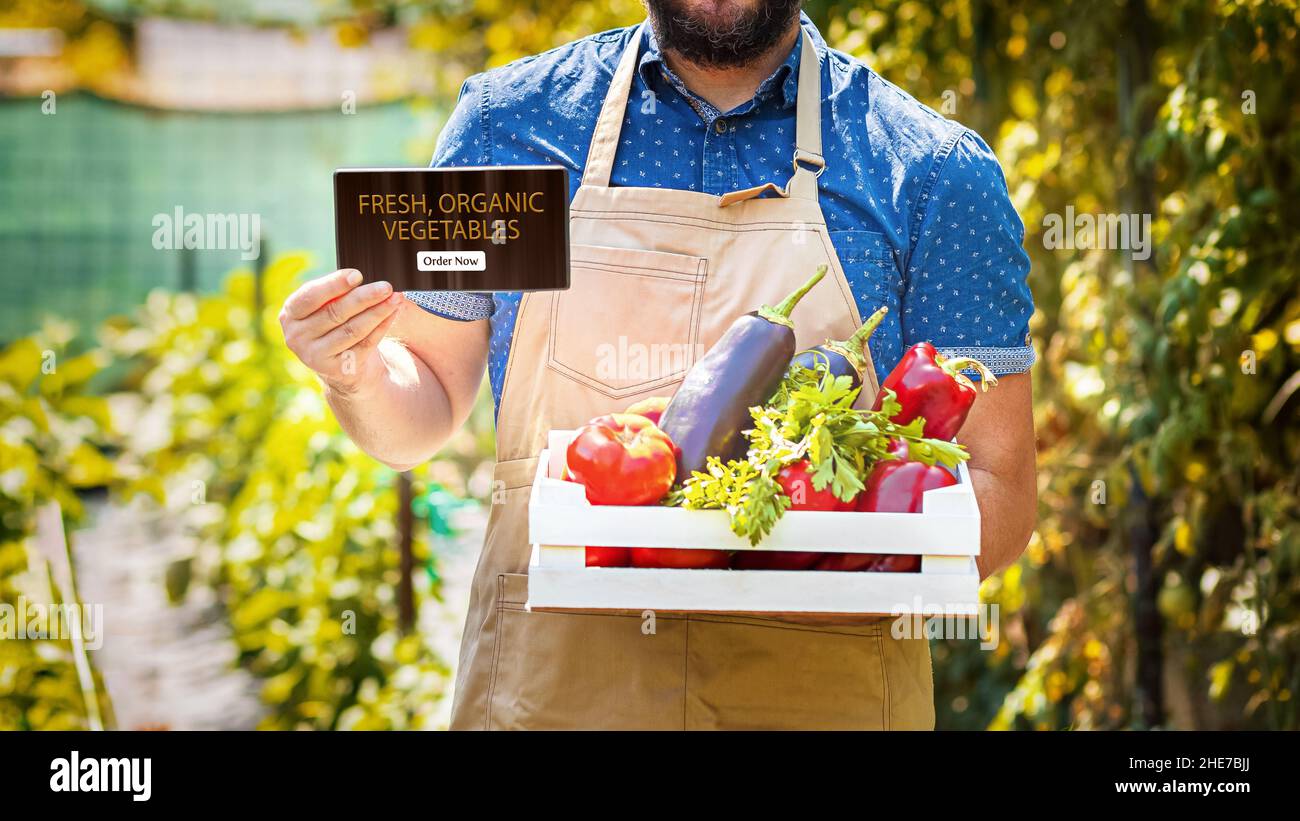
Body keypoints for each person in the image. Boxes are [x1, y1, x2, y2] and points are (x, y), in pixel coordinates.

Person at [279, 0, 1037, 729]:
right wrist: (356, 372)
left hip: (820, 694)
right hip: (551, 694)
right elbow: (425, 407)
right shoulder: (507, 127)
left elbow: (1000, 481)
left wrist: (858, 561)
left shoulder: (933, 173)